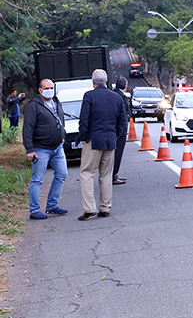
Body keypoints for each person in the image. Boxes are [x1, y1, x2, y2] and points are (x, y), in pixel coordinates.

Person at [78, 69, 127, 220]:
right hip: (110, 139)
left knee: (86, 173)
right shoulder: (116, 97)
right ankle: (105, 207)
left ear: (93, 82)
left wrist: (83, 137)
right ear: (106, 81)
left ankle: (90, 207)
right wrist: (115, 135)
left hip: (93, 139)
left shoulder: (89, 96)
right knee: (106, 174)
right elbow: (122, 121)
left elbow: (84, 119)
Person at [22, 79, 68, 219]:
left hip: (57, 147)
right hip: (40, 148)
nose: (49, 90)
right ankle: (34, 210)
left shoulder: (55, 101)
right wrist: (29, 149)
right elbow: (27, 129)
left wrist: (62, 135)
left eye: (51, 87)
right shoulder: (34, 106)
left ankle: (52, 205)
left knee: (62, 174)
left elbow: (61, 119)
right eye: (46, 88)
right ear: (40, 90)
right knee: (37, 179)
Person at [111, 77, 132, 185]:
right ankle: (113, 175)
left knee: (112, 153)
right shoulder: (122, 97)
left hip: (111, 128)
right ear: (125, 86)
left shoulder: (112, 94)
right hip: (119, 129)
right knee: (118, 152)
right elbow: (124, 114)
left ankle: (113, 174)